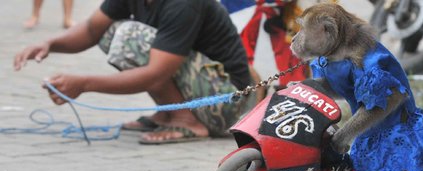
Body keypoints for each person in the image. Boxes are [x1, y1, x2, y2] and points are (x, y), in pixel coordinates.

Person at [14, 0, 255, 144]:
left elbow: (156, 73)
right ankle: (168, 114)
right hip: (205, 94)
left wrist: (83, 84)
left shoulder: (184, 3)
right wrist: (49, 44)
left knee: (130, 37)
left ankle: (186, 120)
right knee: (112, 32)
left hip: (229, 106)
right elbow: (91, 30)